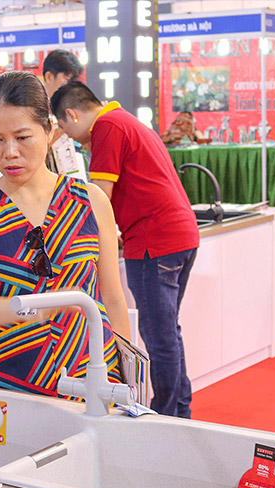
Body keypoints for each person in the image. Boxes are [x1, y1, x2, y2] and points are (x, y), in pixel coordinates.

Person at [0, 71, 131, 399]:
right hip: (6, 382)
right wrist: (34, 309)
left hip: (93, 375)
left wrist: (130, 374)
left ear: (48, 131)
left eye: (22, 137)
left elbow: (113, 298)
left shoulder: (91, 200)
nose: (9, 152)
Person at [50, 81, 200, 418]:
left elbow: (97, 197)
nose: (68, 137)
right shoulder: (124, 120)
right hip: (179, 235)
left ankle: (166, 417)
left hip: (153, 241)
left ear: (71, 115)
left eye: (63, 127)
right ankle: (179, 411)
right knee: (168, 332)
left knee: (158, 336)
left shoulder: (107, 126)